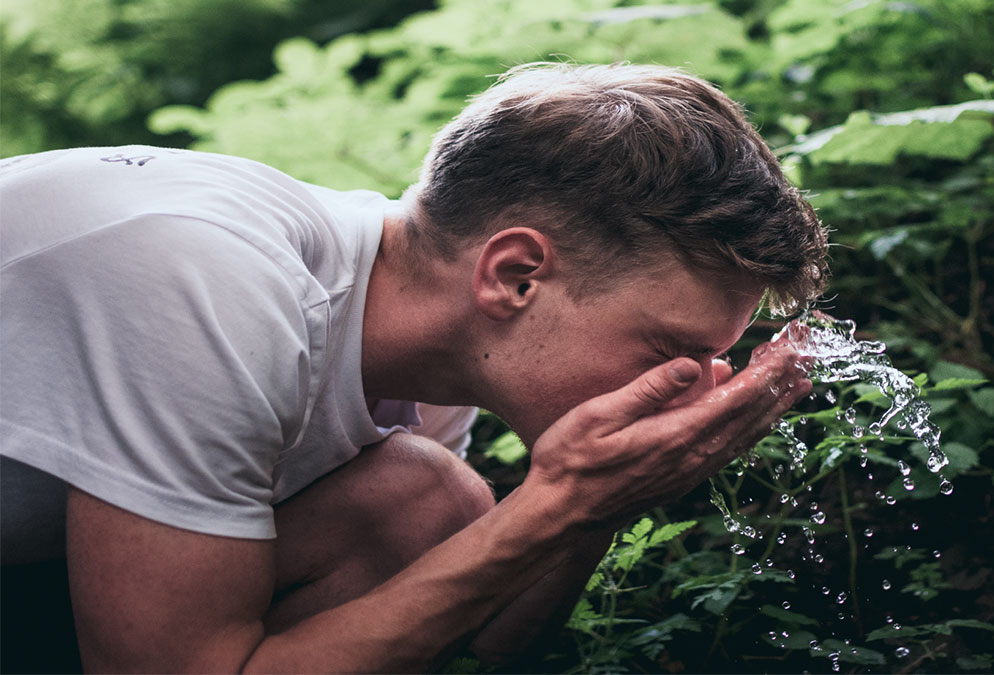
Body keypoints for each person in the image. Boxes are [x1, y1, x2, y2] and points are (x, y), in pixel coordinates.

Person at [0, 62, 829, 672]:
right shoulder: (212, 286)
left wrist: (598, 504)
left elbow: (481, 639)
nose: (697, 385)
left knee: (421, 504)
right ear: (515, 275)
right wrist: (563, 497)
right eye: (673, 350)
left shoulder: (425, 344)